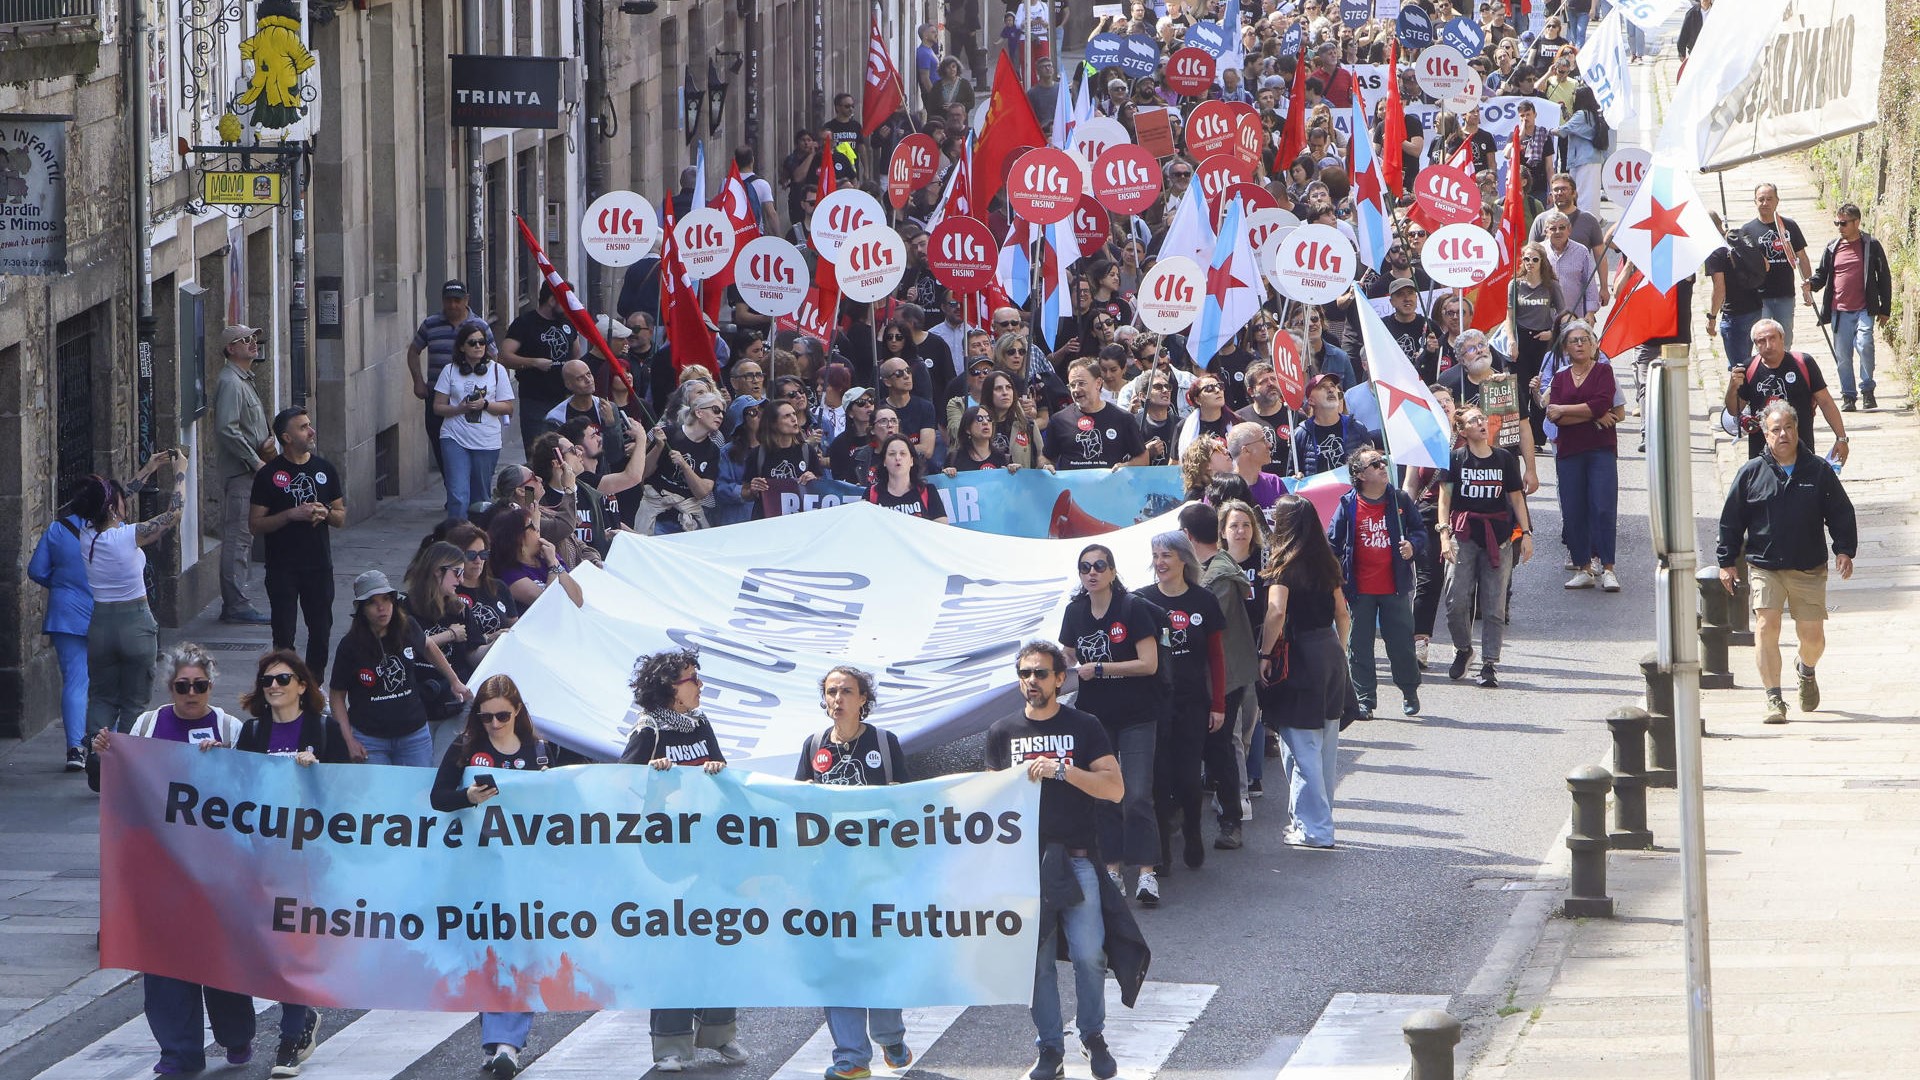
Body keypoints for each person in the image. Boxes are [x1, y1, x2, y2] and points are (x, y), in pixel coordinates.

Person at [87, 644, 250, 1075]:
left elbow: (254, 791)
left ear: (211, 686)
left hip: (217, 871)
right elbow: (115, 782)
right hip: (161, 868)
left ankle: (236, 1035)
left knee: (220, 958)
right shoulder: (146, 725)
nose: (191, 694)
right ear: (170, 688)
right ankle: (178, 1053)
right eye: (183, 686)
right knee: (165, 963)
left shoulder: (232, 728)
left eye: (199, 685)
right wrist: (104, 752)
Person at [984, 640, 1127, 1080]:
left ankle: (1091, 1034)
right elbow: (987, 800)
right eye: (1025, 674)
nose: (1032, 682)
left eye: (1041, 674)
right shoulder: (1002, 731)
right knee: (1036, 963)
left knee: (1089, 955)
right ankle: (1049, 1048)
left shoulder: (1084, 726)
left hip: (1078, 858)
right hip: (1024, 865)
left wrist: (1064, 769)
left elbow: (1115, 788)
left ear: (1060, 678)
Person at [618, 649, 749, 1072]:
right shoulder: (649, 730)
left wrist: (716, 768)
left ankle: (718, 1033)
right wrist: (652, 779)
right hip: (665, 856)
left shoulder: (701, 722)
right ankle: (671, 1045)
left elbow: (720, 774)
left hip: (708, 849)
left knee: (718, 939)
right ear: (669, 688)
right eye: (692, 680)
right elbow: (619, 787)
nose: (700, 686)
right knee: (674, 946)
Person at [794, 666, 915, 1079]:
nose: (837, 698)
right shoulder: (813, 745)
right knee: (837, 962)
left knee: (877, 957)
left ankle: (889, 1034)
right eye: (831, 691)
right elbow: (796, 803)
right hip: (829, 876)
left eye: (847, 691)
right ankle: (851, 1057)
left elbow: (907, 803)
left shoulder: (884, 742)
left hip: (878, 873)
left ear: (863, 698)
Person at [429, 675, 553, 1077]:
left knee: (518, 951)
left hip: (526, 869)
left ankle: (507, 1043)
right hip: (479, 870)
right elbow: (438, 797)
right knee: (489, 951)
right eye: (486, 718)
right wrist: (467, 797)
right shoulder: (466, 748)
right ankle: (495, 1038)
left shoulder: (539, 751)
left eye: (502, 716)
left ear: (517, 710)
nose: (495, 725)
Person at [1716, 401, 1858, 725]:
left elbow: (1840, 511)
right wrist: (1726, 561)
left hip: (1808, 567)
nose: (1783, 434)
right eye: (1775, 430)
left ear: (1797, 430)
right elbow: (1730, 521)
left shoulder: (1818, 471)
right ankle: (1774, 699)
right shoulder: (1751, 473)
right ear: (1765, 435)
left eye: (1788, 428)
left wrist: (1844, 550)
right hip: (1765, 566)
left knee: (1813, 638)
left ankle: (1806, 669)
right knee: (1766, 625)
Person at [232, 649, 327, 1077]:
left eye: (283, 679)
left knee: (293, 945)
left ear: (302, 687)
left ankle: (290, 1037)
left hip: (306, 859)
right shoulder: (253, 734)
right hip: (261, 857)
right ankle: (303, 1015)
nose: (274, 686)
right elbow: (231, 790)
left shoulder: (322, 731)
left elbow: (350, 796)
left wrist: (319, 772)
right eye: (268, 680)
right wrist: (214, 759)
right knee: (268, 949)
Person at [1058, 542, 1164, 906]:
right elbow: (1068, 655)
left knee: (1136, 794)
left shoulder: (1131, 608)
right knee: (1104, 794)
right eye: (1085, 567)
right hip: (1095, 719)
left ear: (1113, 571)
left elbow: (1148, 663)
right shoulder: (1075, 612)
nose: (1092, 572)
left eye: (1100, 565)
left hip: (1137, 715)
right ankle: (1113, 870)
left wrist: (1101, 668)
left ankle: (1147, 874)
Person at [1257, 495, 1354, 849]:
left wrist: (1265, 653)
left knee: (1300, 747)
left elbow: (1276, 612)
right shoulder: (1326, 563)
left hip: (1298, 657)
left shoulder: (1282, 567)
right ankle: (1314, 821)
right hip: (1329, 651)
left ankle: (1315, 828)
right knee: (1326, 745)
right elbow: (1343, 614)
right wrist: (1339, 651)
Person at [1135, 531, 1231, 874]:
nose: (1160, 562)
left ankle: (1192, 830)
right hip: (1154, 704)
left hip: (1193, 703)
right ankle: (1161, 848)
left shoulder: (1203, 601)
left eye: (1166, 556)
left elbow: (1217, 658)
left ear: (1182, 560)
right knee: (1158, 779)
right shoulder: (1141, 600)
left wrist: (1218, 704)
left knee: (1189, 778)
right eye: (1155, 555)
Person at [77, 452, 187, 742]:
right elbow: (173, 515)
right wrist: (180, 473)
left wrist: (149, 468)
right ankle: (126, 759)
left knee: (101, 697)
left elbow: (112, 498)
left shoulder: (87, 534)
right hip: (134, 624)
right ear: (114, 508)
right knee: (134, 703)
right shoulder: (128, 536)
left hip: (101, 624)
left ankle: (96, 755)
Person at [328, 569, 470, 767]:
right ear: (361, 609)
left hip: (414, 735)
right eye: (372, 602)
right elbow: (336, 695)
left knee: (418, 793)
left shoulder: (407, 626)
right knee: (378, 796)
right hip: (370, 738)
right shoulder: (350, 645)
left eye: (386, 599)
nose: (381, 608)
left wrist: (454, 681)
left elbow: (428, 646)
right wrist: (349, 739)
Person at [1437, 406, 1535, 687]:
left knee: (1494, 604)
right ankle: (1463, 649)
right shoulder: (1455, 458)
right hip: (1464, 534)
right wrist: (1444, 535)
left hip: (1499, 536)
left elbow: (1516, 499)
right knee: (1456, 599)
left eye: (1482, 418)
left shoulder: (1504, 459)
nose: (1481, 423)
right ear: (1463, 431)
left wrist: (1525, 533)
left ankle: (1489, 664)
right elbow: (1445, 499)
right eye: (1473, 421)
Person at [250, 406, 347, 682]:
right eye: (303, 427)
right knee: (284, 632)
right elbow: (255, 524)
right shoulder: (269, 475)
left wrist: (325, 513)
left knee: (321, 629)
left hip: (318, 565)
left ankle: (314, 686)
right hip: (282, 567)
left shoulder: (325, 469)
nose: (311, 430)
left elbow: (341, 516)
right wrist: (291, 515)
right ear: (287, 437)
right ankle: (286, 682)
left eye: (309, 424)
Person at [1178, 502, 1255, 846]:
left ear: (1186, 536)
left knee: (1219, 747)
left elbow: (1205, 626)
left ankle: (1231, 820)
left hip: (1224, 676)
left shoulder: (1219, 576)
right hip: (1198, 676)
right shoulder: (1199, 569)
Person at [1328, 447, 1425, 717]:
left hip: (1394, 588)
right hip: (1359, 592)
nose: (1383, 466)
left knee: (1402, 645)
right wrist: (1336, 578)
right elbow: (1332, 544)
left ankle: (1409, 691)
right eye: (1375, 463)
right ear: (1359, 474)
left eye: (1383, 461)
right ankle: (1365, 699)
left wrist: (1413, 546)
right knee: (1359, 648)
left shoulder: (1400, 500)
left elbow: (1419, 532)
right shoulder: (1348, 504)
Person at [1545, 322, 1622, 592]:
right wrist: (1590, 414)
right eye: (1574, 341)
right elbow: (1554, 417)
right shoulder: (1560, 377)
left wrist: (1567, 410)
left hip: (1600, 449)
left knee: (1602, 506)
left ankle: (1608, 568)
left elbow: (1602, 403)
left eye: (1584, 340)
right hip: (1569, 451)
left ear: (1593, 345)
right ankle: (1583, 567)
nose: (1579, 344)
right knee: (1573, 509)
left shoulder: (1603, 371)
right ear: (1565, 347)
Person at [211, 324, 274, 624]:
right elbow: (227, 428)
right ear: (230, 349)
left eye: (253, 338)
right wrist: (254, 461)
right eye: (244, 340)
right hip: (241, 472)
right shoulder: (231, 382)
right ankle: (235, 605)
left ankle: (238, 602)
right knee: (238, 537)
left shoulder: (243, 380)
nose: (252, 343)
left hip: (251, 468)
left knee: (244, 536)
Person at [30, 479, 95, 771]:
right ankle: (107, 742)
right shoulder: (109, 533)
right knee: (106, 681)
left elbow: (36, 570)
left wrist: (59, 585)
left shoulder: (57, 530)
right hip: (103, 613)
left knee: (75, 681)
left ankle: (75, 748)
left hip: (65, 614)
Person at [1805, 202, 1893, 412]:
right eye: (1837, 223)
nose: (1840, 227)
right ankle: (1848, 396)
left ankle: (1867, 390)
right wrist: (1811, 284)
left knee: (1864, 345)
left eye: (1844, 223)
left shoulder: (1871, 245)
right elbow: (1822, 274)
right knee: (1843, 356)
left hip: (1865, 308)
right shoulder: (1832, 247)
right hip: (1840, 311)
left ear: (1856, 222)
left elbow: (1884, 276)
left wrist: (1885, 308)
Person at [1724, 319, 1849, 464]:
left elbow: (1826, 402)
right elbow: (1733, 410)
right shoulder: (1748, 368)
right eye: (1761, 341)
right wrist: (1732, 387)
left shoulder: (1803, 363)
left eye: (1772, 338)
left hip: (1802, 452)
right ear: (1755, 344)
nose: (1769, 345)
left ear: (1782, 338)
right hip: (1762, 455)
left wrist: (1841, 438)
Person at [432, 318, 517, 520]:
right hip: (454, 437)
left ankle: (480, 540)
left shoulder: (497, 371)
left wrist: (485, 404)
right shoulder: (449, 371)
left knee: (481, 498)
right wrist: (459, 408)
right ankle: (457, 539)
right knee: (458, 494)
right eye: (472, 342)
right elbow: (438, 407)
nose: (478, 346)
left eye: (481, 342)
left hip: (486, 441)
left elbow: (508, 407)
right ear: (462, 347)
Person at [407, 280, 490, 473]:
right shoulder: (430, 324)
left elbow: (493, 357)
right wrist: (418, 381)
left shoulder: (479, 326)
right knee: (440, 444)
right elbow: (413, 352)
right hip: (438, 396)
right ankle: (452, 488)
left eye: (457, 300)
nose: (453, 305)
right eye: (448, 300)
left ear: (466, 300)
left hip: (470, 397)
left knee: (470, 446)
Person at [500, 283, 586, 457]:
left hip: (565, 399)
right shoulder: (525, 323)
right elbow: (504, 356)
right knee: (539, 453)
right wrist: (533, 362)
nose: (568, 306)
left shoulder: (567, 322)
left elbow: (576, 353)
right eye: (564, 301)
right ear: (552, 300)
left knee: (568, 452)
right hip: (535, 400)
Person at [634, 391, 723, 533]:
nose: (720, 416)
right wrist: (658, 447)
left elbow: (702, 492)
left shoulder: (713, 450)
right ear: (699, 412)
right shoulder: (668, 433)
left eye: (722, 413)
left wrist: (684, 465)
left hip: (688, 519)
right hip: (657, 516)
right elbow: (643, 473)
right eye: (716, 410)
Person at [1048, 358, 1148, 470]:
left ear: (1098, 383)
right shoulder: (1059, 420)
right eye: (1072, 385)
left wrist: (1125, 466)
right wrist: (1046, 466)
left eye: (1081, 383)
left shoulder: (1123, 418)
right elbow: (1046, 456)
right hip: (1071, 487)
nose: (1076, 389)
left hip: (1110, 486)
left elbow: (1143, 458)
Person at [1743, 183, 1812, 346]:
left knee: (1785, 338)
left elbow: (1801, 256)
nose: (1765, 203)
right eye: (1761, 199)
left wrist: (1809, 286)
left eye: (1769, 199)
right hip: (1759, 297)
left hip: (1785, 294)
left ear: (1777, 201)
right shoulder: (1747, 230)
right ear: (1755, 202)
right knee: (1762, 338)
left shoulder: (1789, 226)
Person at [487, 505, 586, 609]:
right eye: (532, 525)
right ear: (518, 537)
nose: (537, 528)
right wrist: (553, 567)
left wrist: (555, 562)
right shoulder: (510, 575)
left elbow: (578, 599)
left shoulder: (546, 557)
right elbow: (550, 605)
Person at [1290, 373, 1379, 475]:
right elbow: (1292, 475)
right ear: (1311, 400)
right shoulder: (1301, 434)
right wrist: (1296, 477)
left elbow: (1373, 469)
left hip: (1352, 490)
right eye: (1322, 387)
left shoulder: (1357, 428)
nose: (1331, 390)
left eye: (1333, 386)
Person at [864, 434, 950, 521]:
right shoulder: (871, 493)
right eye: (892, 454)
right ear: (884, 461)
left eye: (903, 453)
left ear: (911, 461)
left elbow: (941, 529)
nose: (897, 458)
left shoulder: (928, 491)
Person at [1223, 423, 1287, 510]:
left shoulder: (1275, 483)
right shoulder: (1223, 488)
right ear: (1246, 450)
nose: (1270, 445)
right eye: (1263, 440)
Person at [945, 404, 1017, 473]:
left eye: (989, 419)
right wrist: (947, 474)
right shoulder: (954, 458)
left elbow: (1013, 484)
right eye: (979, 419)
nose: (985, 422)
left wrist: (1014, 473)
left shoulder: (1004, 459)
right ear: (967, 429)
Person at [1175, 376, 1234, 455]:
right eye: (1209, 388)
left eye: (1220, 386)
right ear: (1197, 400)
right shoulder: (1183, 426)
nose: (1217, 390)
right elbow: (1174, 463)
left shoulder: (1236, 421)